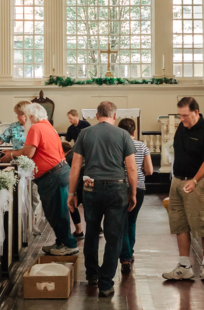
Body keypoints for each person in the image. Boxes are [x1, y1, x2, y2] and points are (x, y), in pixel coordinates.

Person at [68, 101, 138, 298]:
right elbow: (131, 168)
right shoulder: (123, 135)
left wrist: (72, 193)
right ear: (114, 116)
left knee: (91, 231)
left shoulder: (85, 133)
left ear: (97, 115)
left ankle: (92, 274)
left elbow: (75, 167)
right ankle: (106, 283)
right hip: (117, 187)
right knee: (114, 236)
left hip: (91, 187)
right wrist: (132, 193)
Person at [6, 103, 79, 256]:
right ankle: (60, 242)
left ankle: (69, 244)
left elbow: (29, 152)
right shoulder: (48, 126)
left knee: (57, 213)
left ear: (32, 116)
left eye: (26, 116)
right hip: (59, 172)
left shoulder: (36, 128)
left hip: (52, 176)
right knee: (57, 211)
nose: (25, 120)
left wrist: (12, 154)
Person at [163, 97, 204, 282]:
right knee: (180, 224)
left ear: (196, 112)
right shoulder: (182, 127)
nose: (182, 119)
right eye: (180, 115)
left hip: (199, 183)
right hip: (178, 181)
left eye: (185, 115)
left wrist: (195, 180)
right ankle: (184, 266)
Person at [117, 117, 153, 275]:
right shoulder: (142, 145)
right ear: (134, 131)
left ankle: (125, 257)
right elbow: (150, 170)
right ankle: (129, 253)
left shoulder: (118, 145)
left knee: (122, 223)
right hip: (138, 187)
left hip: (119, 186)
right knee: (131, 222)